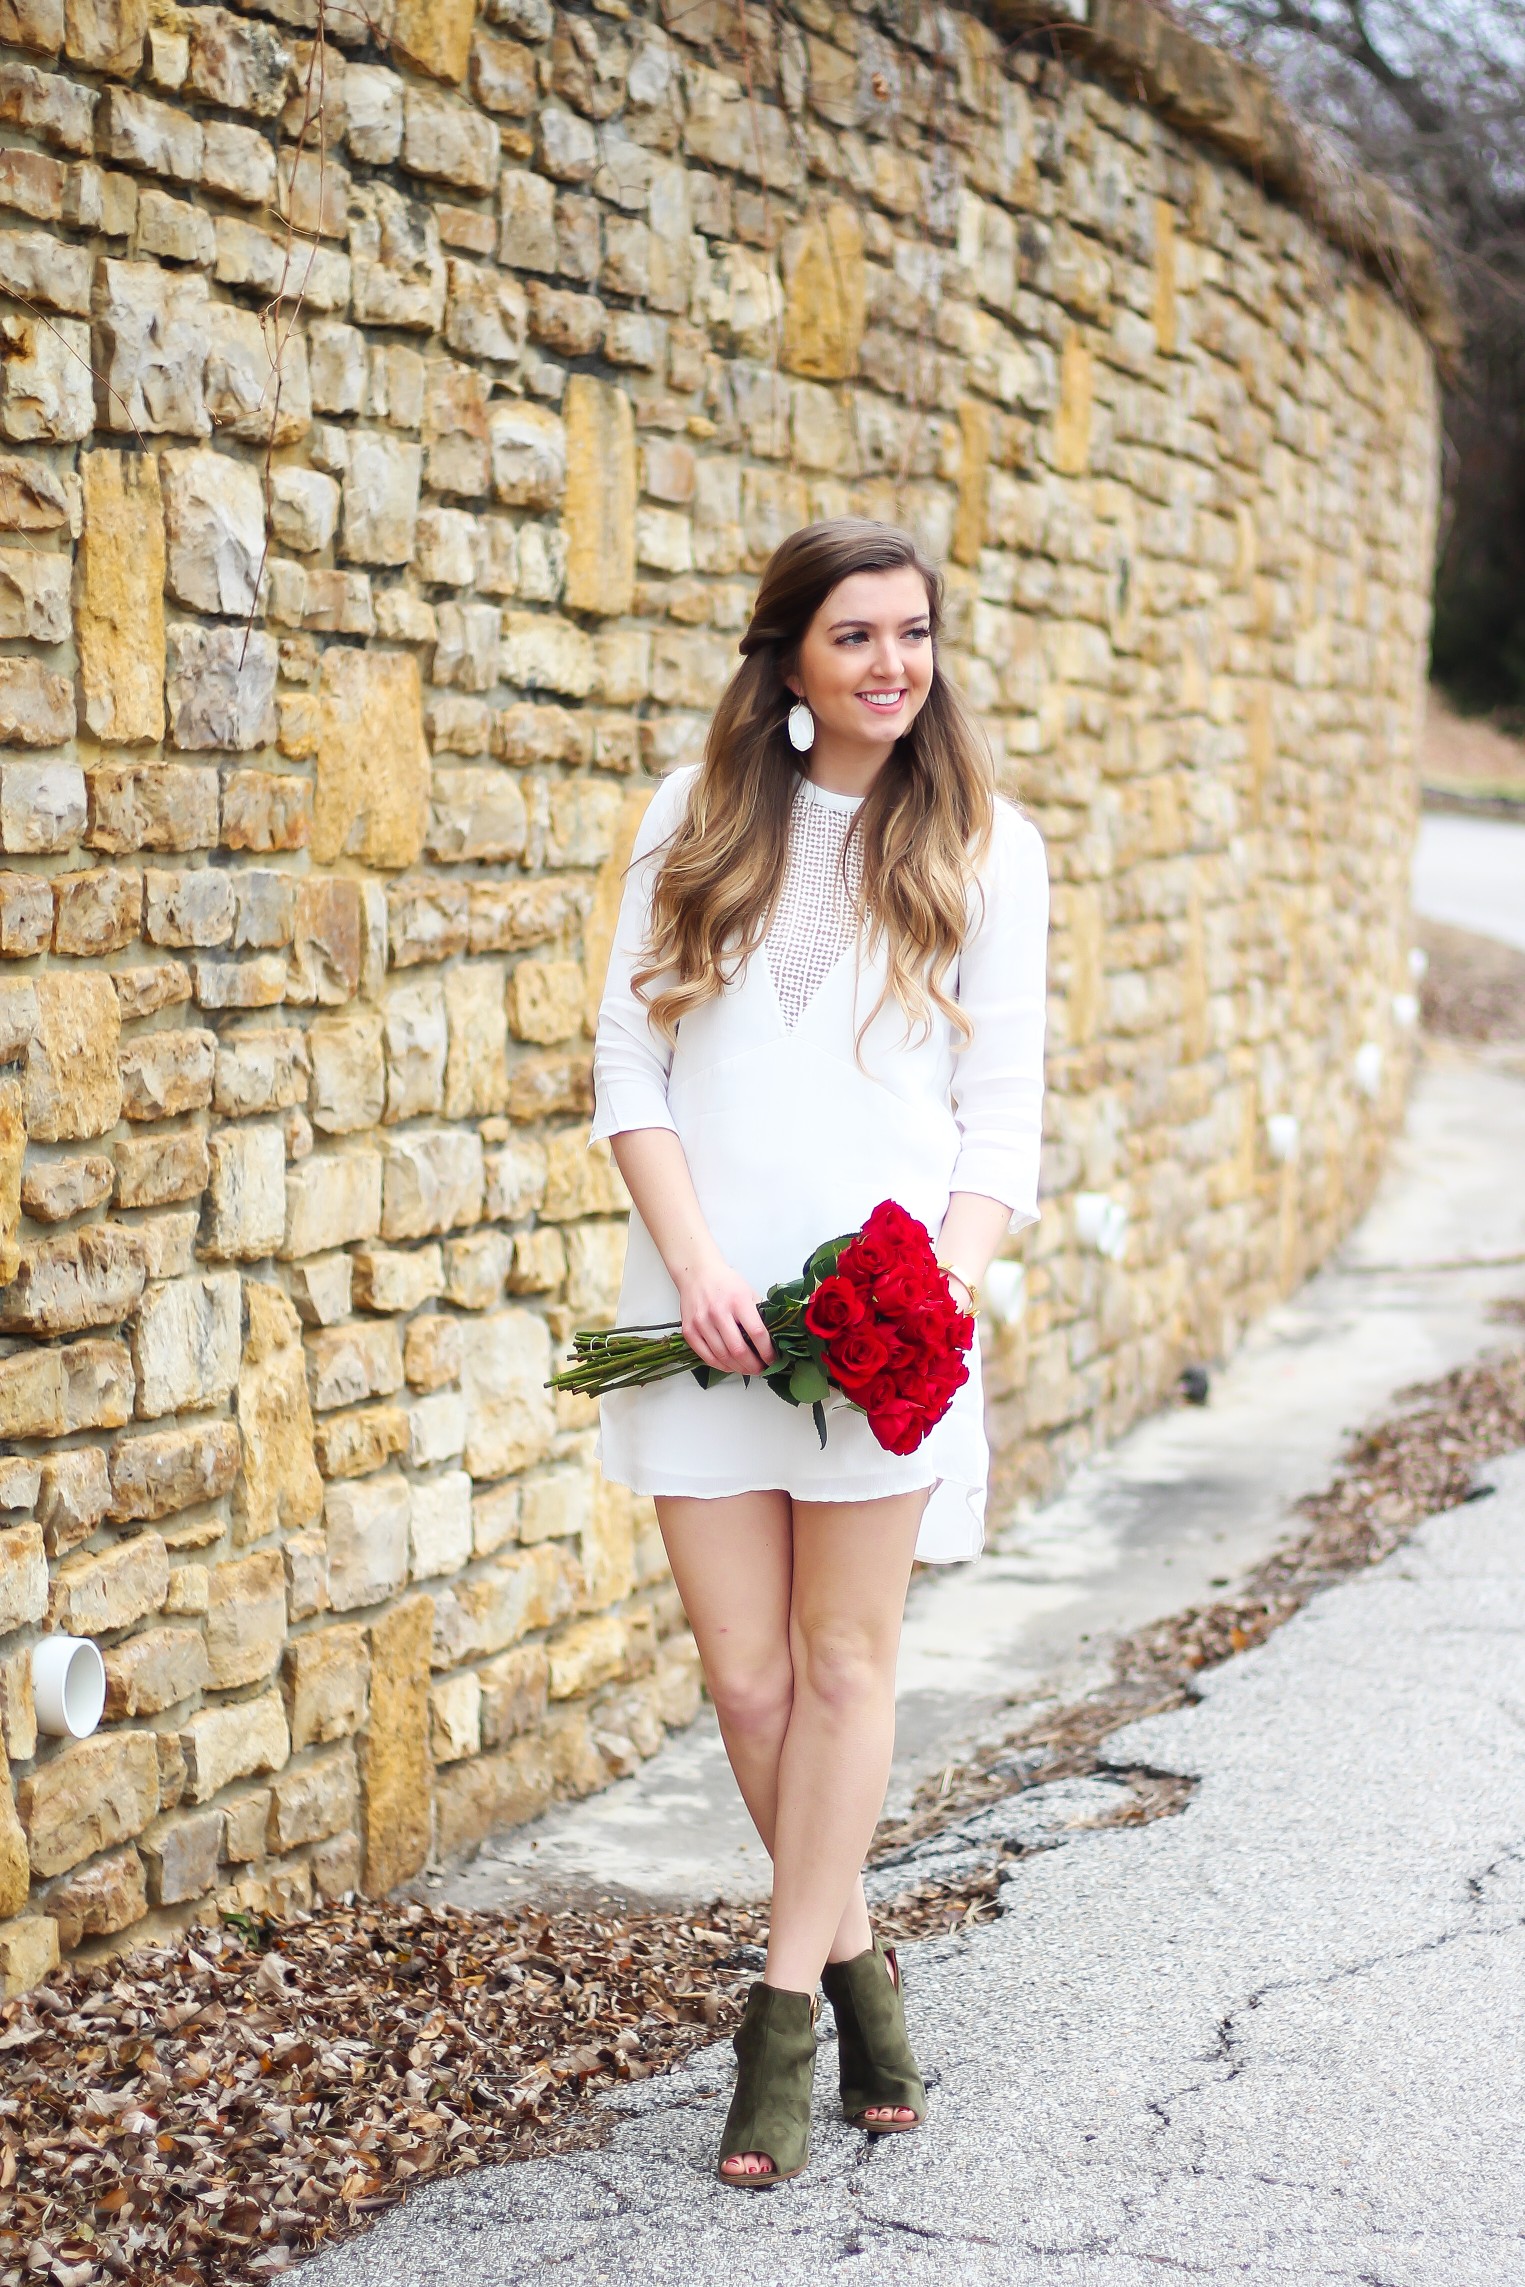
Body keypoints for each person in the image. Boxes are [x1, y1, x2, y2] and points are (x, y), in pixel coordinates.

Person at [587, 518, 1049, 2187]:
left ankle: (777, 2015)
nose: (889, 664)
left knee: (846, 1667)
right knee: (746, 1677)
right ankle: (859, 1957)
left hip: (887, 1329)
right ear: (786, 657)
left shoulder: (990, 847)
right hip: (698, 1313)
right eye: (853, 635)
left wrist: (929, 1284)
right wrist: (693, 1263)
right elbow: (625, 1074)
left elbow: (1000, 1129)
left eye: (910, 633)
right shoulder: (691, 822)